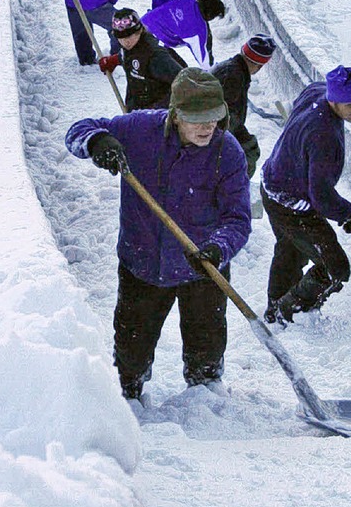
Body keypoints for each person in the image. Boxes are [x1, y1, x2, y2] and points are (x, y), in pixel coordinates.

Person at [65, 67, 251, 402]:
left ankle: (205, 395)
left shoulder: (228, 152)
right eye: (198, 118)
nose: (208, 126)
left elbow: (237, 219)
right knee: (131, 350)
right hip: (143, 262)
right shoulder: (141, 130)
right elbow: (78, 131)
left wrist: (217, 249)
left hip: (202, 266)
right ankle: (127, 393)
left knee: (206, 346)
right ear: (176, 114)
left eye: (213, 117)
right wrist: (97, 141)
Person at [260, 65, 351, 326]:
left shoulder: (317, 92)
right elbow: (320, 194)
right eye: (350, 104)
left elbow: (306, 94)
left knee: (290, 251)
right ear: (334, 99)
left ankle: (276, 310)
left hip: (273, 186)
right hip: (292, 204)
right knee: (335, 268)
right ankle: (291, 312)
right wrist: (346, 213)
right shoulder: (324, 135)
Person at [211, 33, 277, 177]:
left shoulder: (233, 69)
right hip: (215, 133)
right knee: (249, 153)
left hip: (216, 130)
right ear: (259, 65)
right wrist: (243, 138)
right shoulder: (233, 76)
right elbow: (225, 115)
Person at [98, 8, 187, 112]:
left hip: (157, 116)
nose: (125, 42)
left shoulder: (156, 56)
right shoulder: (131, 47)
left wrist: (158, 109)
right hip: (137, 109)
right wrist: (114, 60)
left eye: (129, 36)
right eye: (121, 38)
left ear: (139, 31)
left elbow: (183, 84)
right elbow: (131, 57)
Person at [140, 0, 225, 68]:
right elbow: (204, 61)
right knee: (181, 71)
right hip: (153, 44)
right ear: (210, 15)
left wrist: (160, 14)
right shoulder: (198, 30)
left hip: (143, 23)